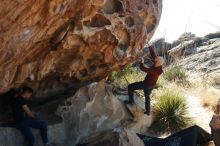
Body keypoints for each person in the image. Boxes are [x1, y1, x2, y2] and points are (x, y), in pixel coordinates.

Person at [125, 46, 165, 115]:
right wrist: (150, 47)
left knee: (130, 87)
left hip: (146, 85)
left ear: (157, 62)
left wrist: (142, 62)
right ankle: (147, 111)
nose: (154, 59)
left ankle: (131, 101)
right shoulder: (158, 65)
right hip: (151, 85)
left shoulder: (155, 71)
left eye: (156, 60)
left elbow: (144, 69)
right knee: (147, 96)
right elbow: (154, 56)